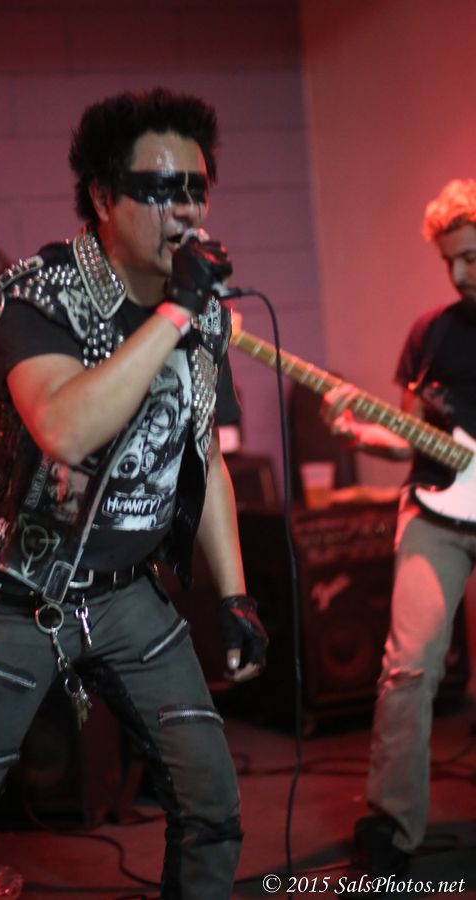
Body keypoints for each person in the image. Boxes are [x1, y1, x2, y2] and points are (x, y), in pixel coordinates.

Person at [0, 88, 268, 900]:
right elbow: (62, 425)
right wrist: (177, 311)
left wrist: (235, 594)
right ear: (102, 195)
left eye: (197, 188)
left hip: (126, 596)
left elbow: (202, 454)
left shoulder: (202, 316)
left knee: (212, 804)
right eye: (159, 189)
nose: (186, 209)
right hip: (6, 599)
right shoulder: (34, 293)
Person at [321, 178, 476, 877]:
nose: (460, 273)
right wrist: (356, 432)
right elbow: (408, 436)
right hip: (435, 511)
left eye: (471, 256)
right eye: (450, 261)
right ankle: (390, 826)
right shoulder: (429, 333)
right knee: (407, 667)